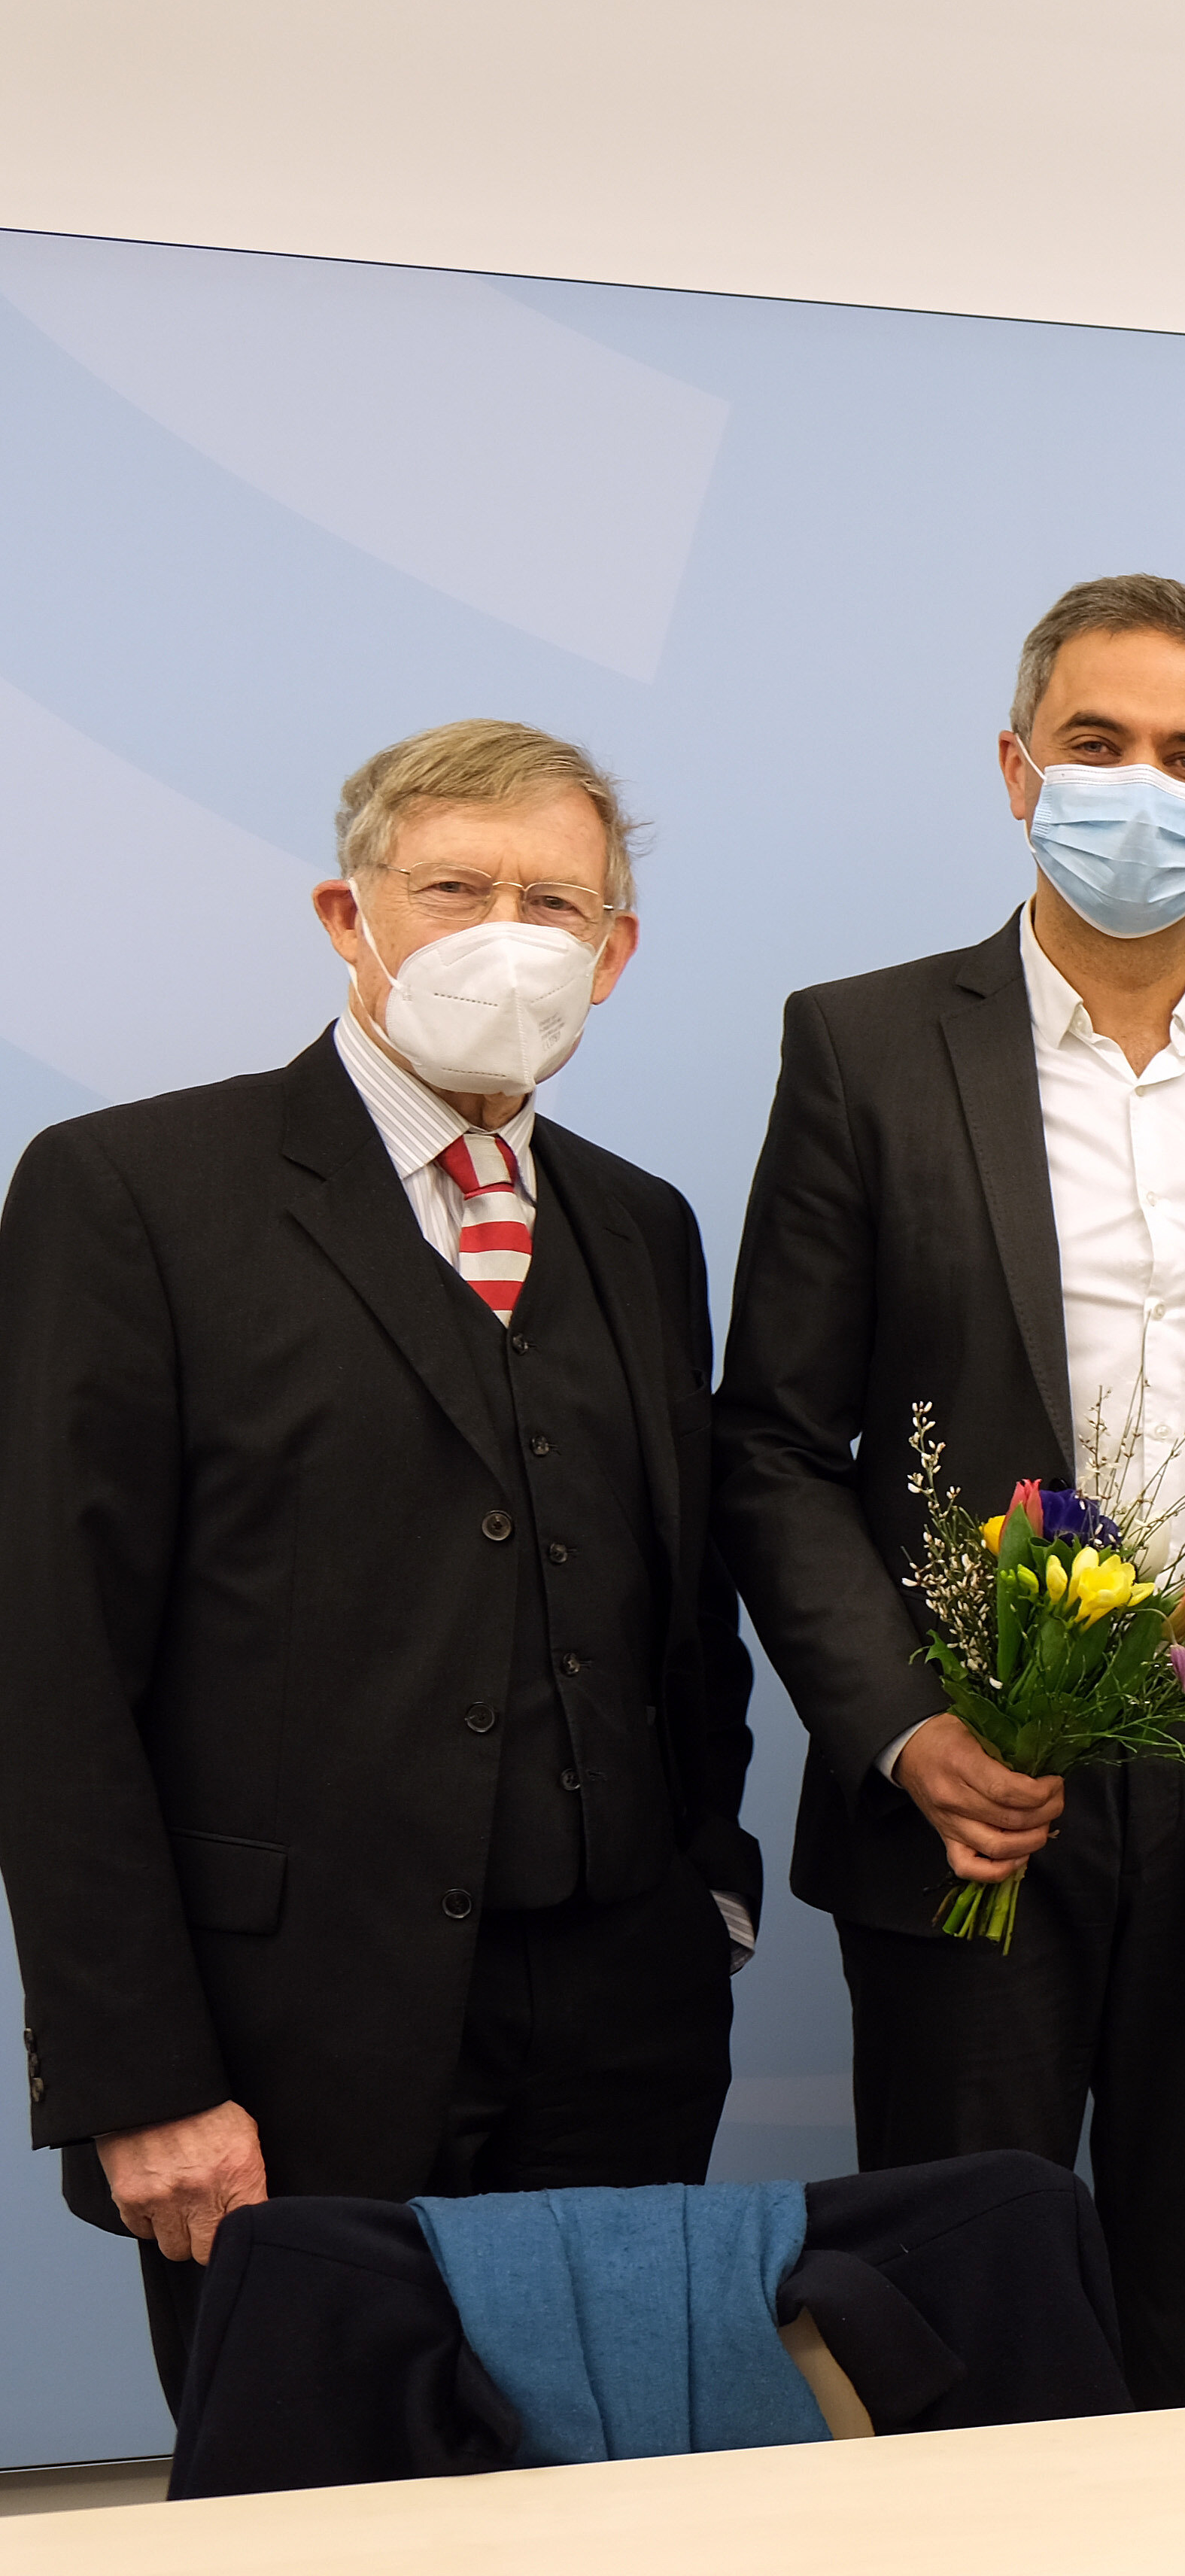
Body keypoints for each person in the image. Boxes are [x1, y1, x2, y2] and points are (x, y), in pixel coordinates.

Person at [714, 574, 1185, 2410]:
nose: (1142, 787)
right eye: (1098, 743)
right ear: (1018, 769)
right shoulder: (867, 1046)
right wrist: (903, 1730)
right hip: (977, 1781)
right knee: (954, 2317)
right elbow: (775, 1442)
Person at [0, 720, 760, 2409]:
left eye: (552, 902)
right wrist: (138, 2075)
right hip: (283, 2051)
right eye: (456, 889)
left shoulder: (643, 1225)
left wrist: (708, 1894)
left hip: (622, 2034)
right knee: (315, 2525)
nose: (507, 932)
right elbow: (50, 1670)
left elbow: (681, 1606)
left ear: (614, 953)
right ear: (349, 917)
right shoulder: (131, 1194)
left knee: (610, 2505)